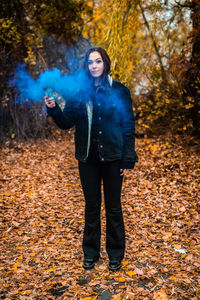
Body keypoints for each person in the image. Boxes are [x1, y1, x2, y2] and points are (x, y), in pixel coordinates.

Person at [45, 47, 138, 271]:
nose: (94, 65)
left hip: (114, 158)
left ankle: (115, 254)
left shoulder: (119, 91)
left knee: (114, 207)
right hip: (88, 159)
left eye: (98, 61)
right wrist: (54, 109)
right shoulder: (80, 92)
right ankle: (91, 253)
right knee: (92, 206)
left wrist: (127, 159)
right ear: (87, 66)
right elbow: (67, 122)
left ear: (105, 63)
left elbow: (128, 126)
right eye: (90, 62)